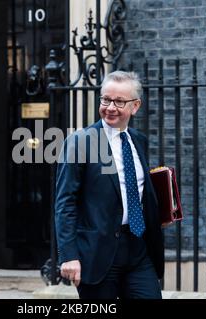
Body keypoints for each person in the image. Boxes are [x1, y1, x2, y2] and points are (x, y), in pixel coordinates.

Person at [55, 71, 164, 299]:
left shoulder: (138, 140)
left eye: (119, 101)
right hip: (97, 253)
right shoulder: (81, 142)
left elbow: (139, 191)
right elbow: (65, 202)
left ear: (135, 106)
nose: (110, 107)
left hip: (138, 249)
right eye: (106, 99)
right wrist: (68, 255)